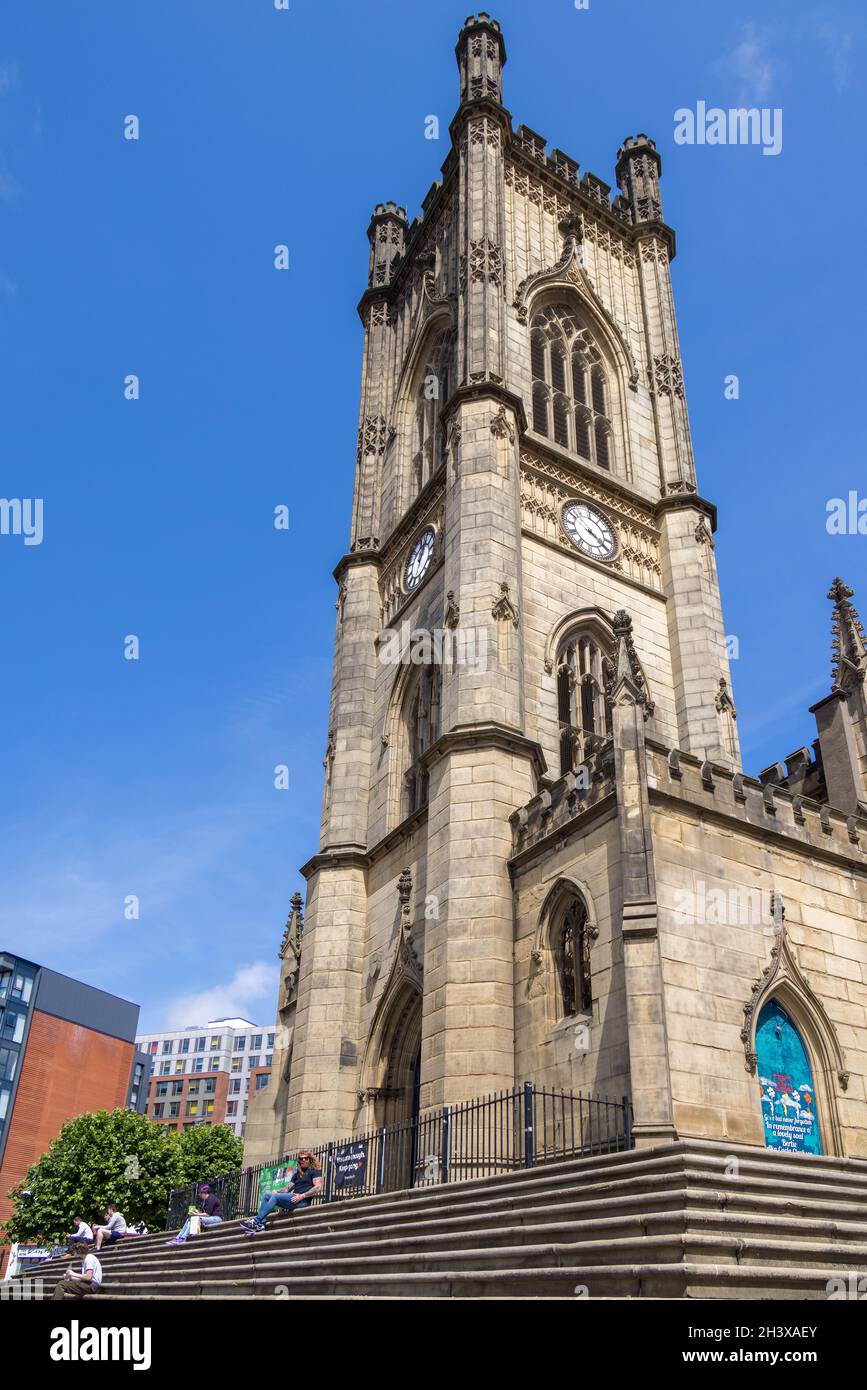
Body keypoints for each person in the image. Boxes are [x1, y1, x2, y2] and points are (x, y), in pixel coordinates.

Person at [240, 1150, 322, 1235]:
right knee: (267, 1195)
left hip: (303, 1202)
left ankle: (256, 1221)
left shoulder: (314, 1171)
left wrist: (302, 1196)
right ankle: (261, 1225)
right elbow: (287, 1188)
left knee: (275, 1197)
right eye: (301, 1158)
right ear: (299, 1161)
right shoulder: (298, 1174)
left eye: (306, 1158)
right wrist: (277, 1191)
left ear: (310, 1159)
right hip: (293, 1198)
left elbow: (318, 1187)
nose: (304, 1160)